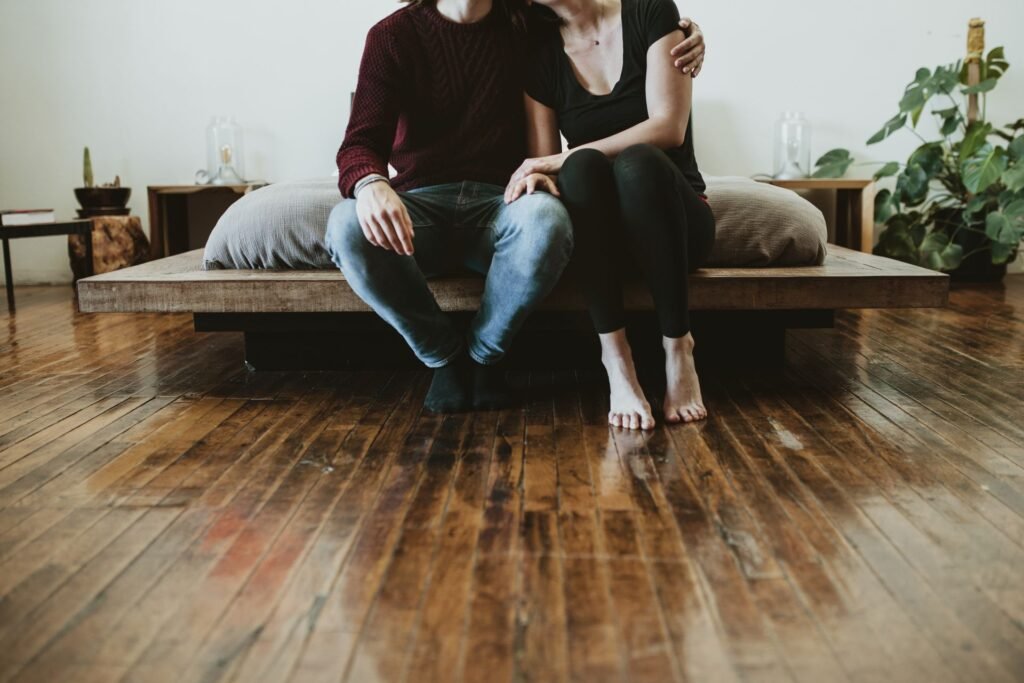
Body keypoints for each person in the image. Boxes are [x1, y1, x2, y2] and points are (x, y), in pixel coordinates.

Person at [326, 0, 707, 414]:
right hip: (420, 206)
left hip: (500, 202)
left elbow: (590, 31)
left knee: (552, 215)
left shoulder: (524, 27)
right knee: (345, 225)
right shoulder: (393, 36)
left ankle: (485, 353)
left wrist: (685, 33)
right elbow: (358, 142)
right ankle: (446, 356)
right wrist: (370, 183)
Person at [506, 0, 714, 429]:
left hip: (676, 224)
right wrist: (556, 165)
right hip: (605, 239)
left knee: (636, 162)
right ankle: (616, 359)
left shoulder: (649, 10)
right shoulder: (538, 55)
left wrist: (564, 157)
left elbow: (669, 126)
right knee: (579, 168)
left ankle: (679, 349)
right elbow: (546, 164)